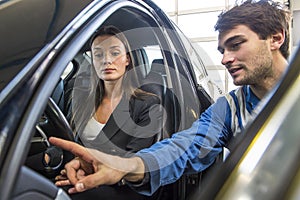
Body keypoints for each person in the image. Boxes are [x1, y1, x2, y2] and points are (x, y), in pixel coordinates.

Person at [49, 0, 291, 197]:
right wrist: (123, 166)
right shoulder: (228, 109)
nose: (225, 59)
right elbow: (183, 148)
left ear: (275, 38)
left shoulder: (146, 101)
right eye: (222, 51)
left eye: (236, 45)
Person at [54, 25, 164, 199]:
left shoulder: (147, 104)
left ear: (127, 59)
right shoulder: (81, 100)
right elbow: (70, 142)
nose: (106, 60)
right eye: (98, 55)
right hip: (79, 176)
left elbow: (135, 161)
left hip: (120, 185)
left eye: (114, 53)